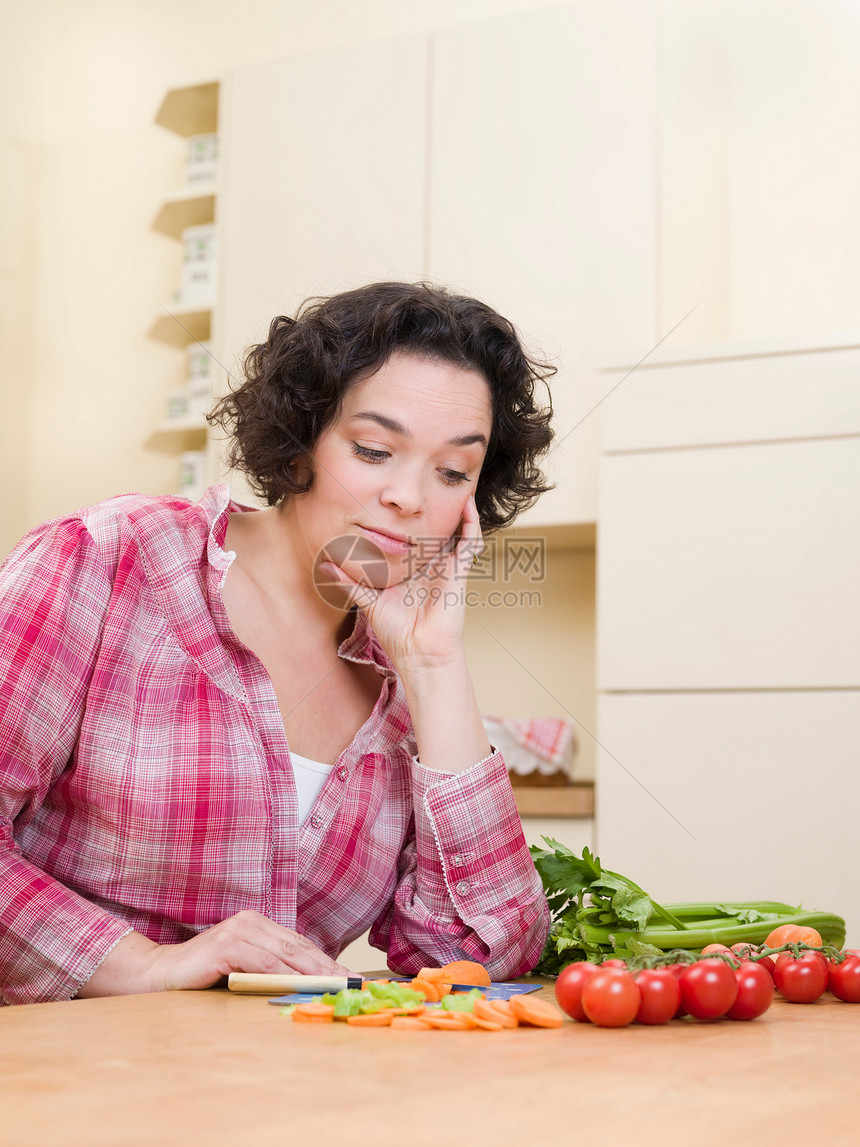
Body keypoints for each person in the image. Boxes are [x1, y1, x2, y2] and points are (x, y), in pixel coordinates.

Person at [0, 281, 556, 1006]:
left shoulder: (398, 679)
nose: (410, 496)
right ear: (301, 443)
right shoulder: (107, 559)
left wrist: (434, 666)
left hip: (278, 1097)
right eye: (374, 448)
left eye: (453, 471)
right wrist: (142, 965)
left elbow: (479, 959)